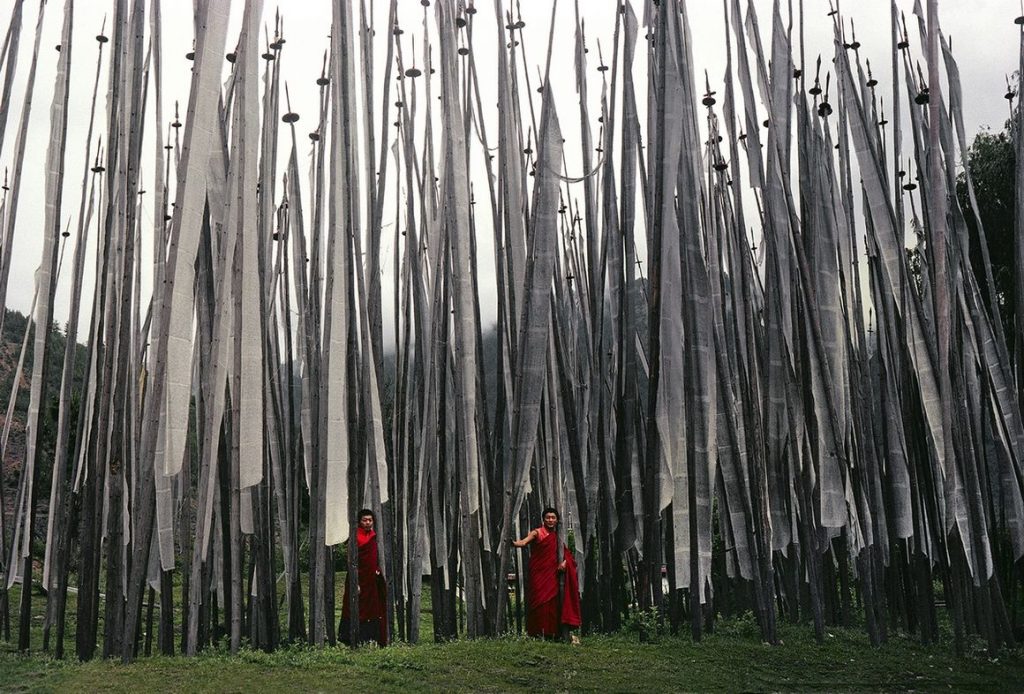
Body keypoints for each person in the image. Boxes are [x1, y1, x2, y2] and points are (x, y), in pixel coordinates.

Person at [512, 507, 581, 639]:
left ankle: (552, 633)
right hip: (538, 573)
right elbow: (524, 542)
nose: (550, 520)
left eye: (553, 518)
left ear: (557, 520)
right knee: (539, 601)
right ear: (543, 519)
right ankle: (538, 633)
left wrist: (565, 563)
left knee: (552, 603)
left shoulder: (557, 537)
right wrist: (514, 543)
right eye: (548, 517)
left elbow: (569, 557)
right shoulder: (537, 532)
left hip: (553, 574)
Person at [340, 508, 388, 647]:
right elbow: (351, 560)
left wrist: (377, 570)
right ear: (359, 522)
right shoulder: (355, 537)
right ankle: (352, 637)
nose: (368, 523)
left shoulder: (373, 535)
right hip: (358, 578)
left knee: (372, 608)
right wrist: (355, 581)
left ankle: (370, 638)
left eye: (370, 520)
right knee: (355, 607)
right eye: (365, 520)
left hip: (371, 580)